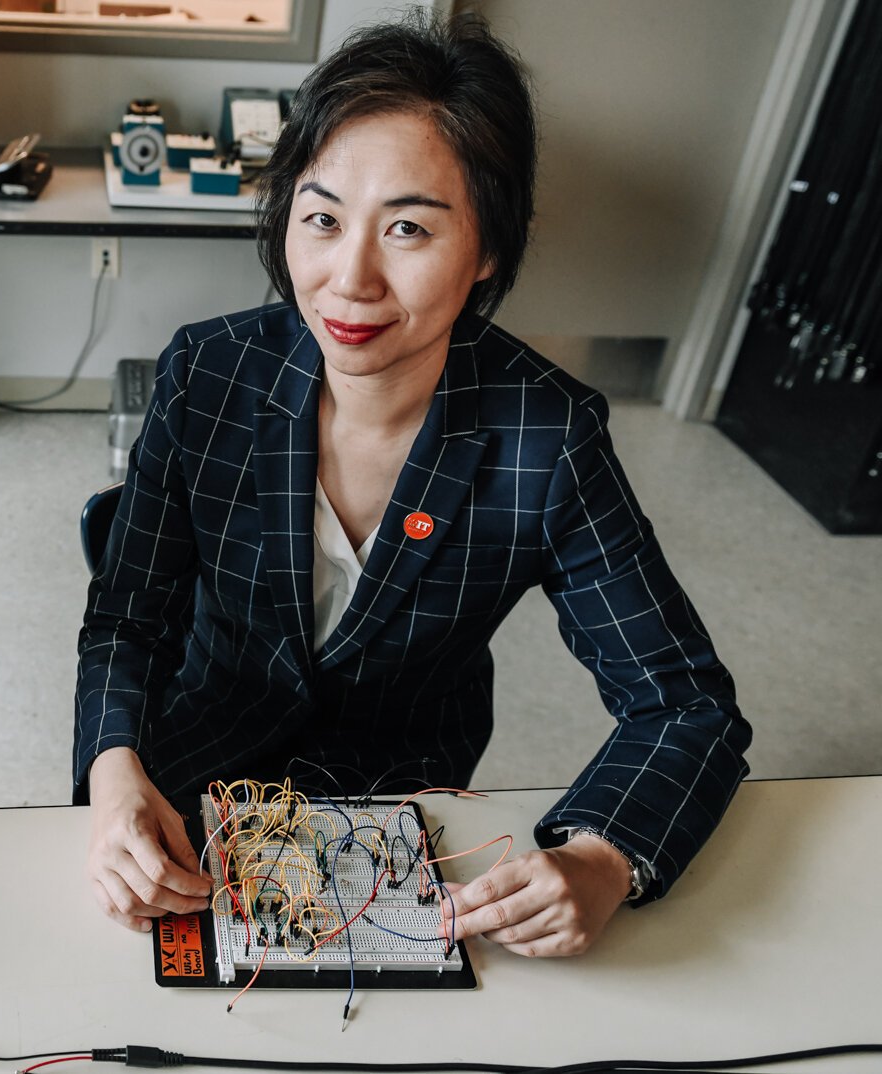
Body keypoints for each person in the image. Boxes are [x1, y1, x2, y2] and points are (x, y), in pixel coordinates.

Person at [75, 14, 751, 957]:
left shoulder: (547, 435)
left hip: (401, 803)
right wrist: (113, 775)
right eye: (321, 219)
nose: (347, 279)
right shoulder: (209, 371)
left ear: (486, 252)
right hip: (188, 776)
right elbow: (127, 619)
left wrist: (604, 857)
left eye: (407, 228)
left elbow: (687, 705)